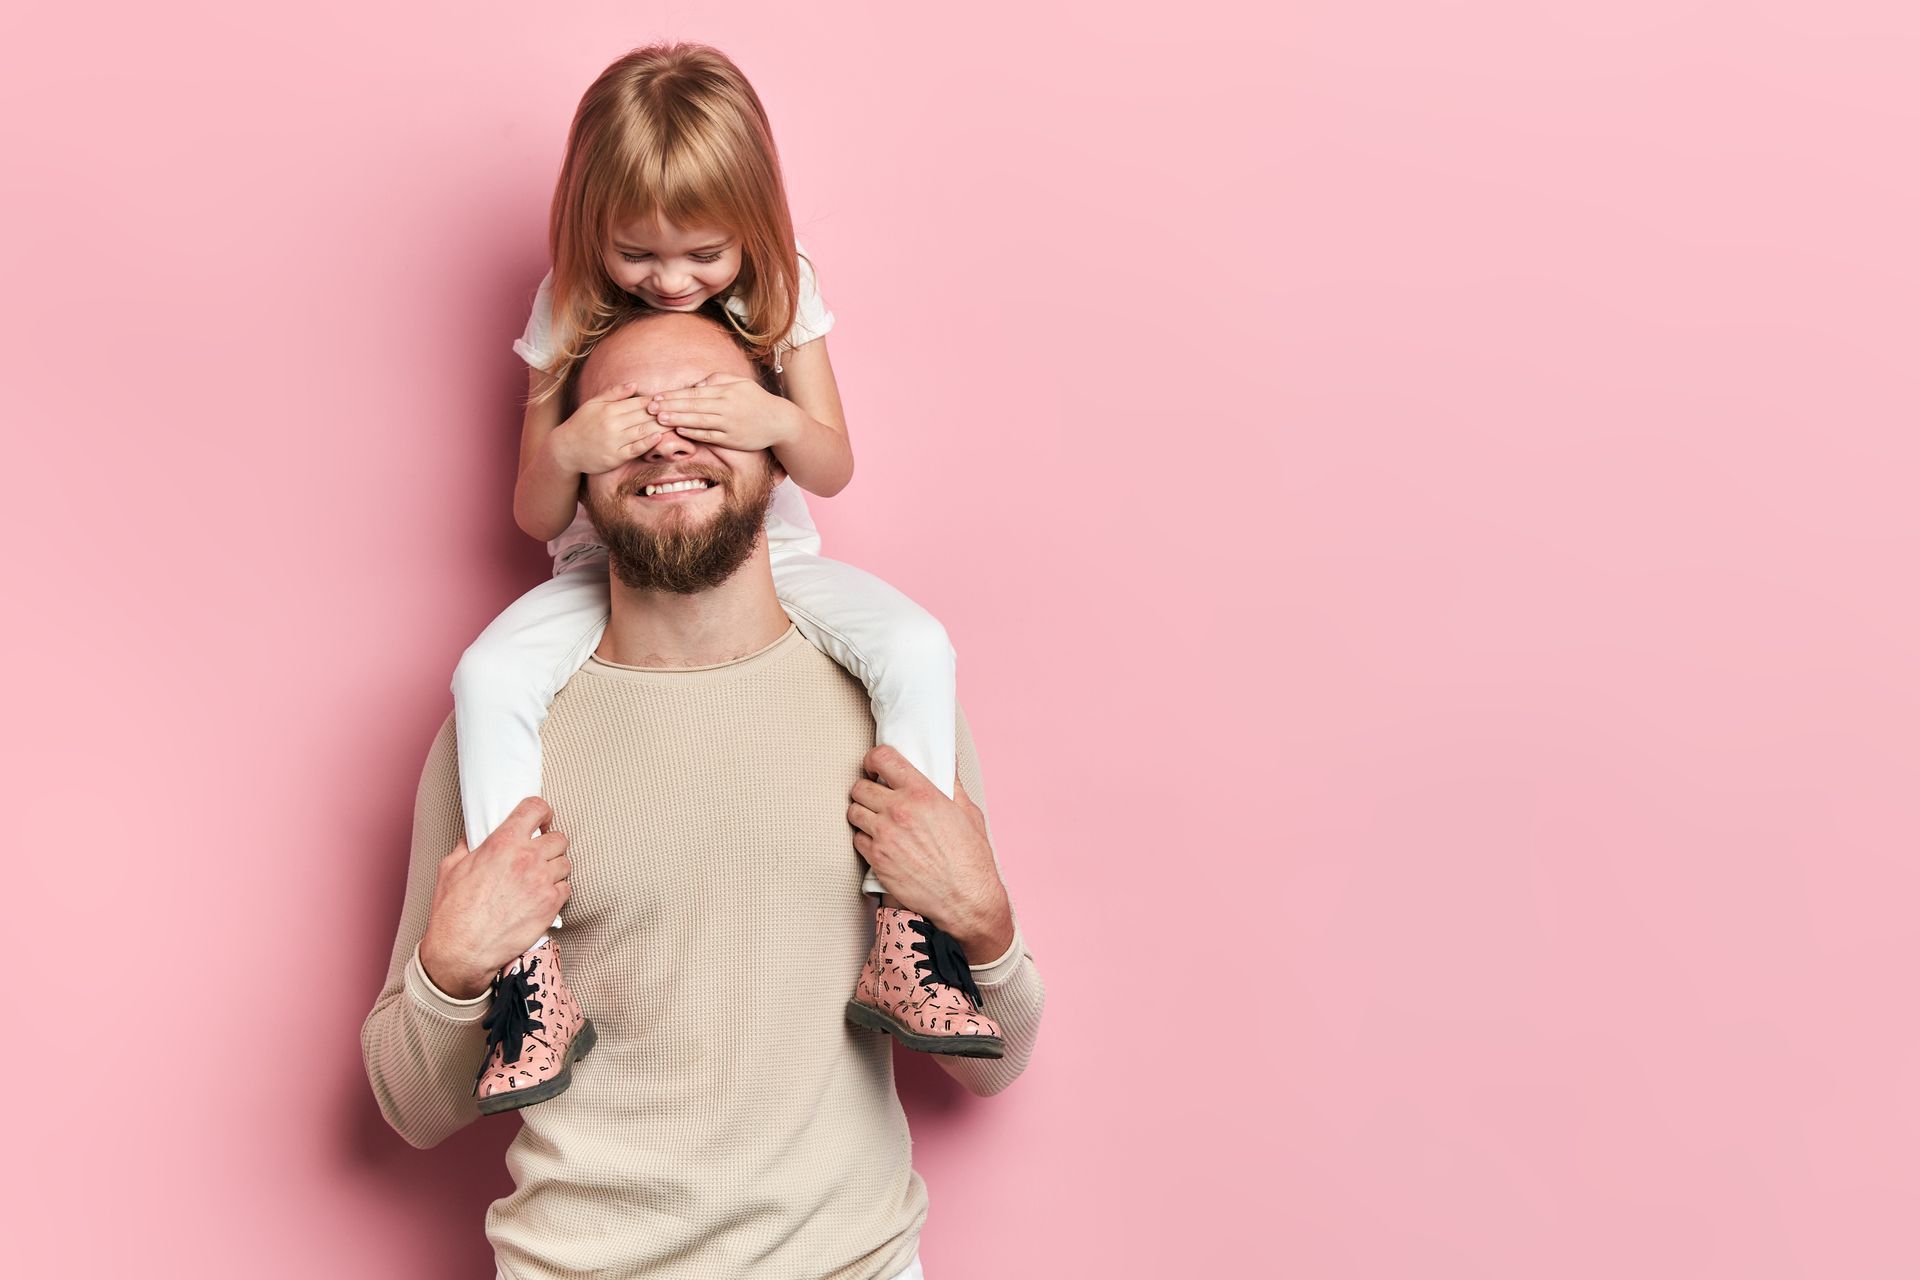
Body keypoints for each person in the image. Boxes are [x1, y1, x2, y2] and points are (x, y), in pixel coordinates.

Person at [363, 307, 1045, 1279]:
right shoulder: (501, 735)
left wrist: (986, 924)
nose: (668, 440)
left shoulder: (892, 706)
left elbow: (998, 1063)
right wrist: (451, 965)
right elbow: (411, 1108)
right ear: (576, 473)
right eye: (627, 415)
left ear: (777, 447)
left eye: (707, 407)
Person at [453, 42, 998, 1114]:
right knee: (487, 679)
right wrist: (571, 445)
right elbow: (533, 514)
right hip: (603, 571)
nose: (670, 282)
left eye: (702, 253)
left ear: (752, 222)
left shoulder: (784, 283)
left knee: (916, 646)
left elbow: (830, 467)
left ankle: (909, 934)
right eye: (636, 253)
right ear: (589, 230)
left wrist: (770, 416)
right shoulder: (568, 300)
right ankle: (527, 973)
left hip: (769, 561)